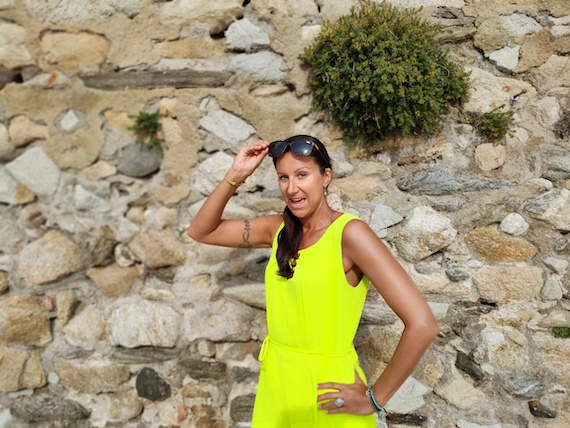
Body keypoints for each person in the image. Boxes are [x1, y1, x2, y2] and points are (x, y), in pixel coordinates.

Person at [187, 135, 439, 427]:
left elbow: (423, 324)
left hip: (328, 397)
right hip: (278, 387)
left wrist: (375, 398)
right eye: (283, 177)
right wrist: (236, 176)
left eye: (302, 175)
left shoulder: (350, 235)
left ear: (326, 177)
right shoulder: (277, 229)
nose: (292, 188)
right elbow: (201, 231)